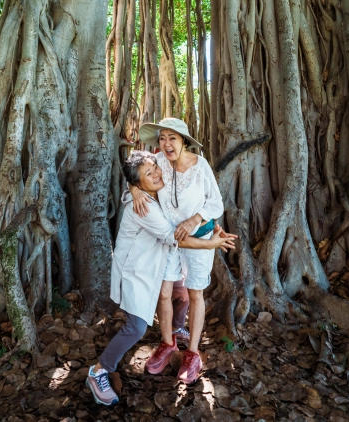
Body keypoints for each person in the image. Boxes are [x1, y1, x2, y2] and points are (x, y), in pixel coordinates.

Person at [86, 151, 236, 406]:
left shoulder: (156, 185)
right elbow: (176, 237)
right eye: (148, 174)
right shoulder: (144, 206)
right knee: (136, 327)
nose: (157, 173)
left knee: (180, 293)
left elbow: (143, 171)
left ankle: (177, 330)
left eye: (155, 168)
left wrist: (210, 223)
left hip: (154, 263)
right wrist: (212, 243)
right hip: (136, 272)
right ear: (138, 183)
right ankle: (99, 369)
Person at [130, 118, 238, 384]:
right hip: (170, 240)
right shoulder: (158, 162)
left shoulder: (200, 166)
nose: (166, 143)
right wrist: (133, 188)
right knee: (164, 293)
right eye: (163, 138)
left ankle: (192, 353)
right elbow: (137, 174)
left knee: (195, 293)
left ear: (184, 141)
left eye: (173, 138)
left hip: (199, 238)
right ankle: (168, 344)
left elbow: (216, 202)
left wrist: (197, 218)